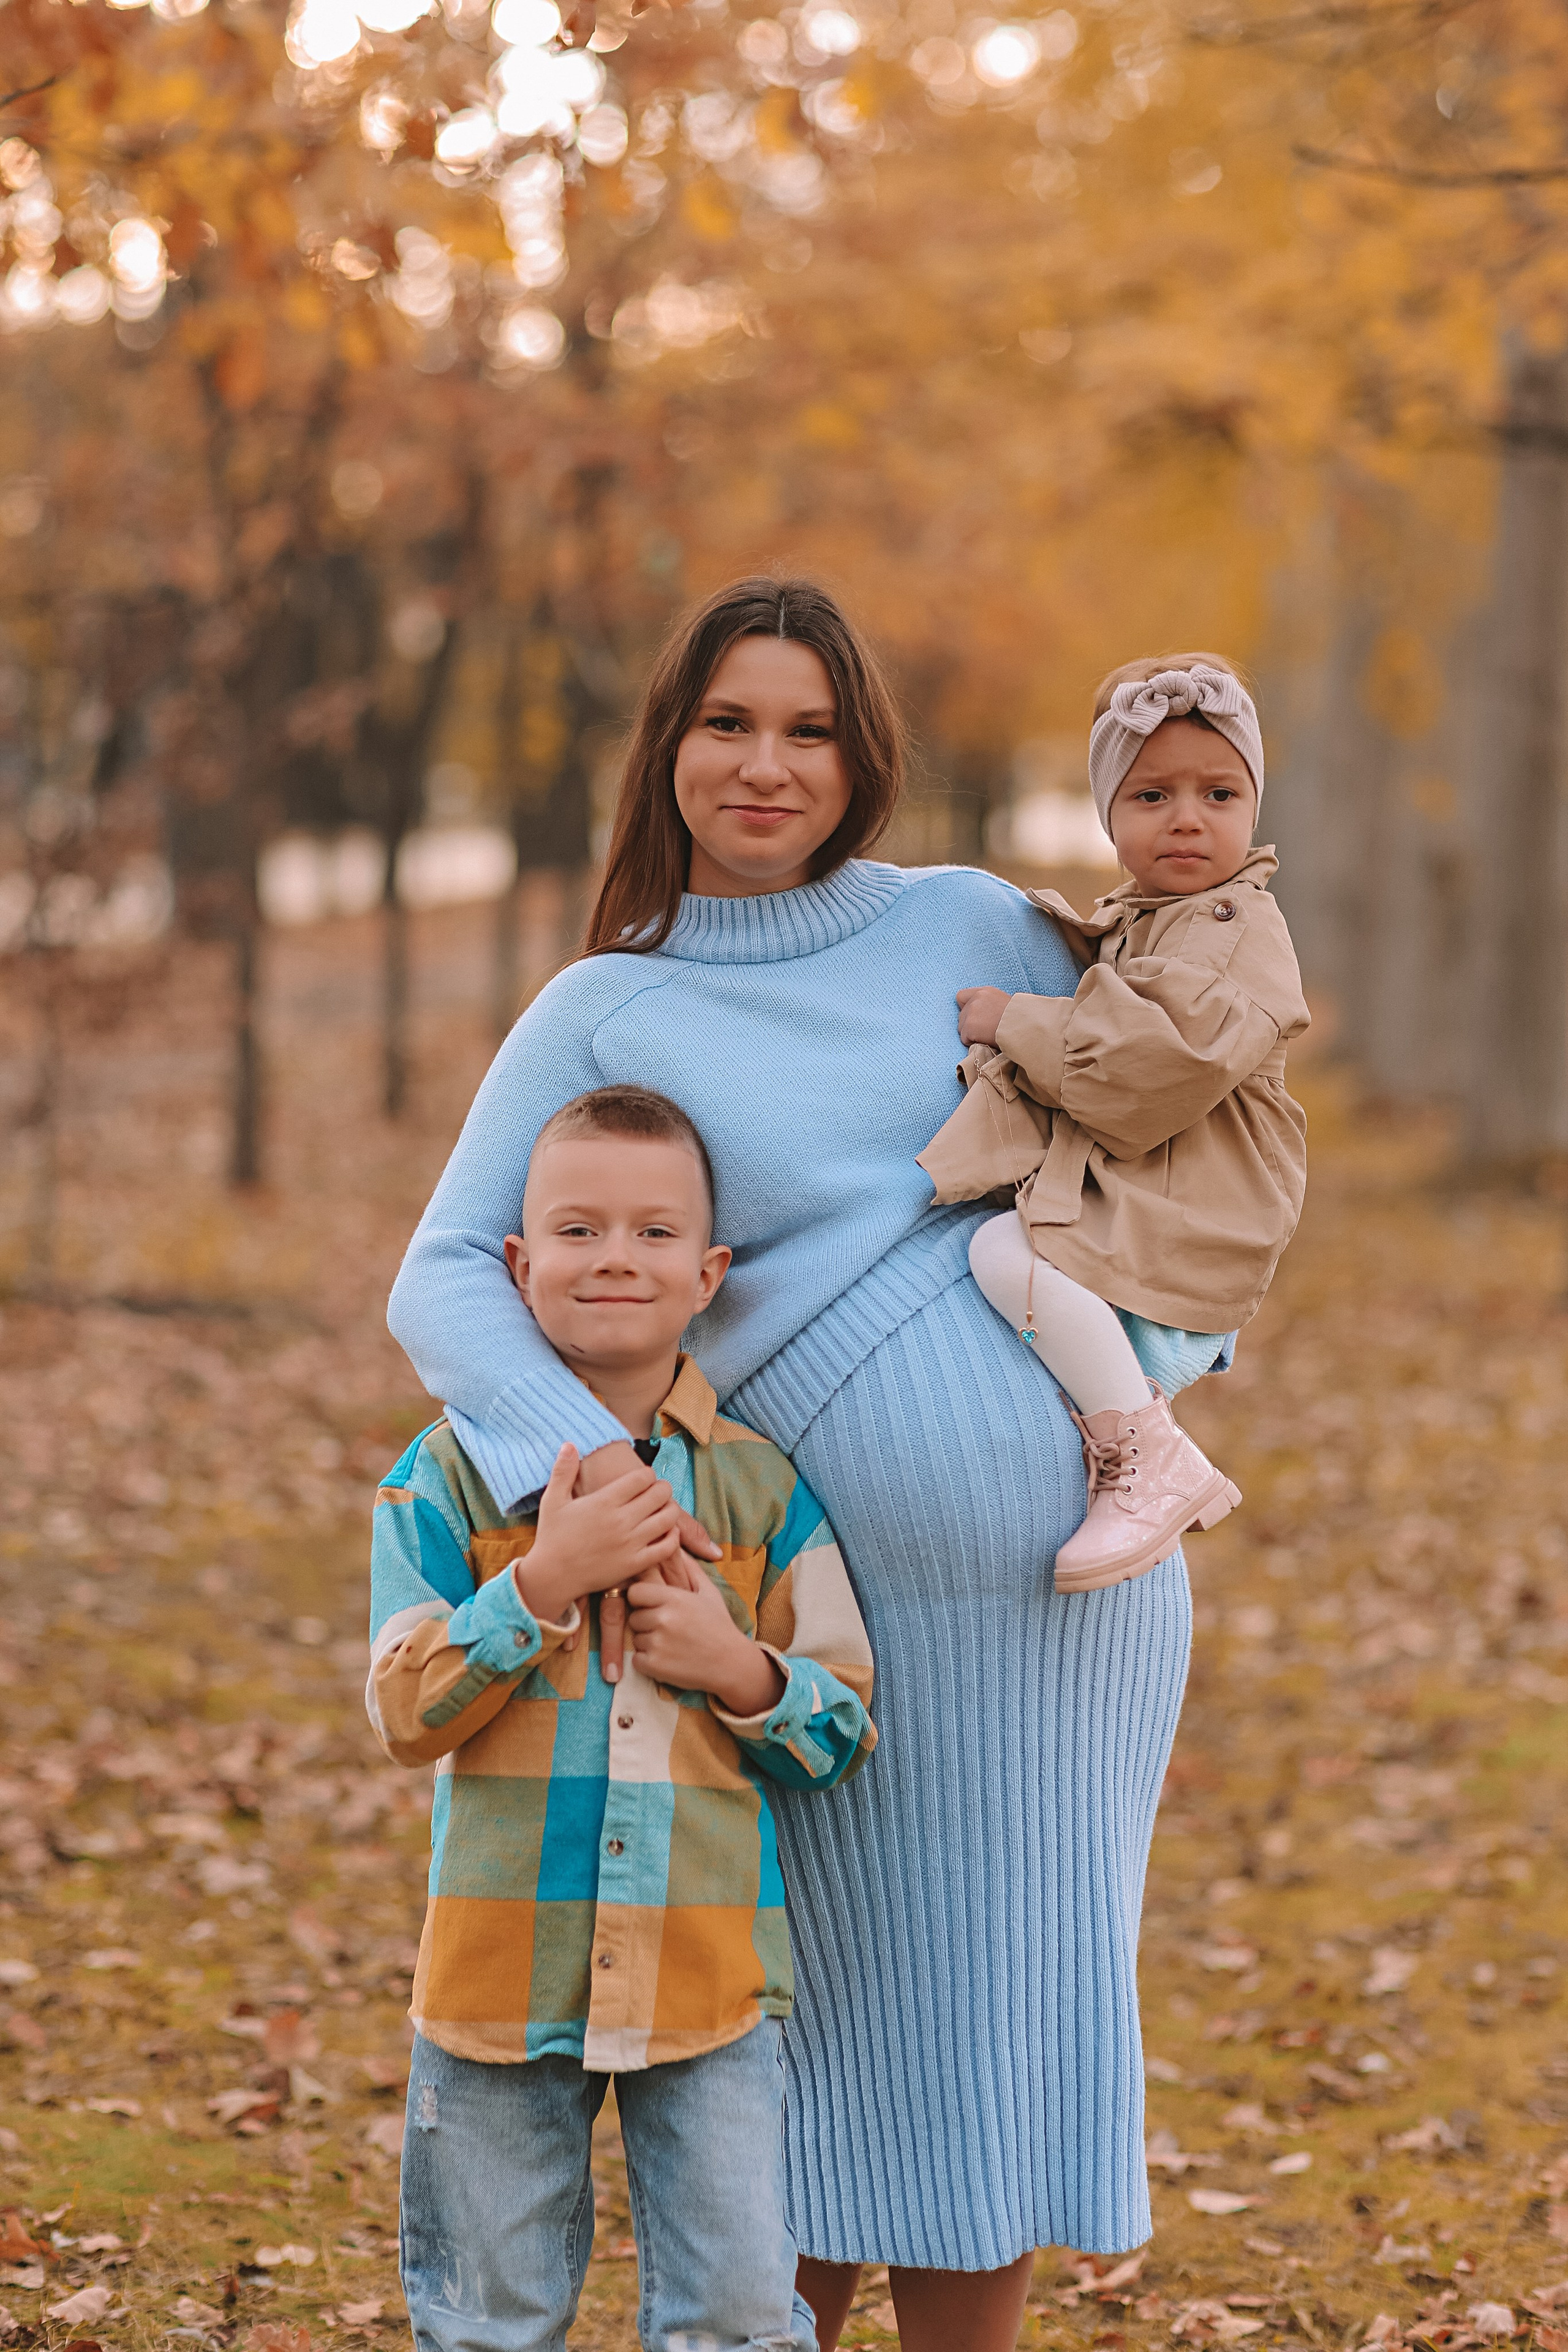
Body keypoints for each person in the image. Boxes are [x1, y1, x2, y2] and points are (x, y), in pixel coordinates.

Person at [387, 577, 1229, 2352]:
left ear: (863, 756)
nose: (766, 766)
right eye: (728, 724)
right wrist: (593, 1497)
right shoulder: (608, 1003)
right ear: (671, 747)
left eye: (809, 730)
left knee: (989, 2018)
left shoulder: (973, 920)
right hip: (793, 1598)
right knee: (813, 2037)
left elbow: (1189, 1122)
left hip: (1062, 1598)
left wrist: (1167, 1363)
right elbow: (444, 1274)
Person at [369, 1082, 876, 2352]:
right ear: (516, 1263)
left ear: (708, 1272)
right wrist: (537, 1583)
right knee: (486, 2317)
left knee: (738, 2318)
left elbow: (841, 1723)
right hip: (498, 1973)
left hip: (704, 1979)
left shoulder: (762, 1493)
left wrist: (733, 1665)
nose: (614, 1259)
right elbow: (402, 1707)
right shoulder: (443, 1479)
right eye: (578, 1229)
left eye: (654, 1234)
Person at [921, 656, 1310, 1591]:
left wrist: (1017, 1018)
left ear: (1253, 807)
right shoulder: (1150, 921)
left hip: (1198, 1205)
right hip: (1156, 1192)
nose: (1187, 816)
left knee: (1003, 1257)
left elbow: (1156, 1061)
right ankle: (1120, 1457)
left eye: (1218, 792)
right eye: (1151, 794)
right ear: (1109, 814)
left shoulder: (1235, 926)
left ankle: (1147, 1456)